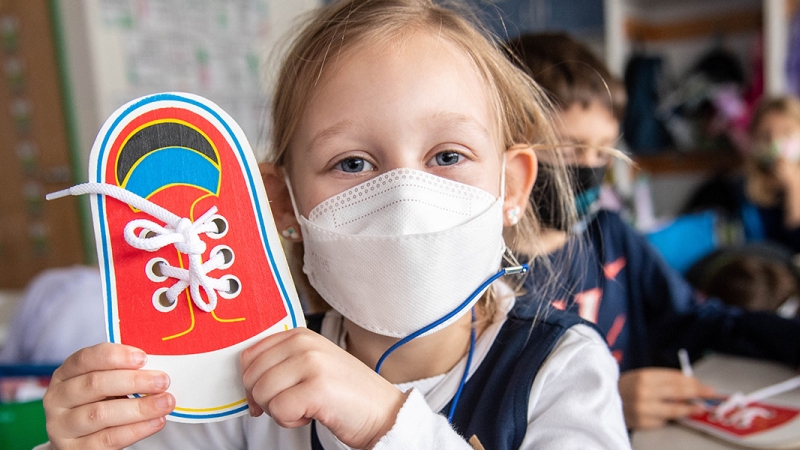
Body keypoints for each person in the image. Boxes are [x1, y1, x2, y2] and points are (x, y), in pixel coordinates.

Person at [38, 2, 631, 449]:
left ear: (513, 186)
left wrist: (383, 421)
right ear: (285, 204)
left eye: (447, 156)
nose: (404, 198)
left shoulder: (563, 369)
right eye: (352, 163)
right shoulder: (244, 381)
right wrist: (83, 436)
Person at [506, 32, 800, 430]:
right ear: (512, 145)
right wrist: (605, 402)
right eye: (572, 150)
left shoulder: (608, 236)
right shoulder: (486, 281)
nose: (591, 169)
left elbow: (700, 319)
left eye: (604, 151)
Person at [743, 96, 800, 251]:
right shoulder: (744, 193)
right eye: (766, 136)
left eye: (786, 132)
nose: (775, 142)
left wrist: (793, 189)